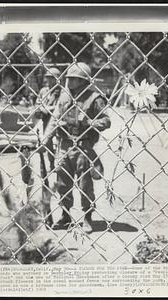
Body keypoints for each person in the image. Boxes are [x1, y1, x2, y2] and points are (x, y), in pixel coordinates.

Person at [40, 62, 111, 233]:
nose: (70, 82)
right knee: (62, 183)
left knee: (85, 184)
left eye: (74, 79)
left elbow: (107, 121)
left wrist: (90, 122)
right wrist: (45, 139)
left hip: (83, 147)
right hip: (64, 146)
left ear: (83, 81)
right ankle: (65, 215)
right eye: (69, 78)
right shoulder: (64, 97)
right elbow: (54, 119)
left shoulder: (95, 98)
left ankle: (87, 217)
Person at [35, 67, 61, 171]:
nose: (49, 80)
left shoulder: (61, 91)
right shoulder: (43, 91)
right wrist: (42, 108)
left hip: (57, 121)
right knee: (48, 143)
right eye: (48, 78)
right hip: (46, 120)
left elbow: (61, 106)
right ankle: (51, 164)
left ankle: (60, 163)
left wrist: (47, 108)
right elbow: (38, 103)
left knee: (60, 142)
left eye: (52, 78)